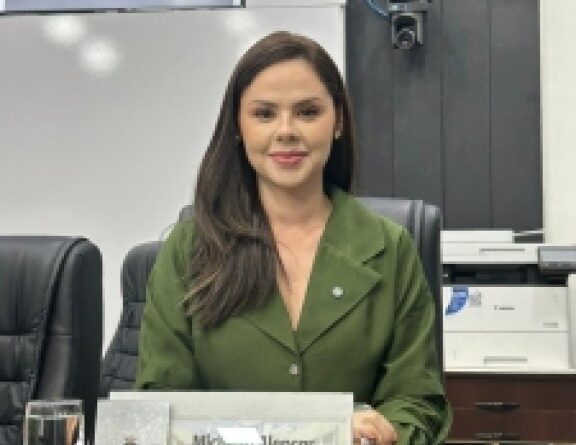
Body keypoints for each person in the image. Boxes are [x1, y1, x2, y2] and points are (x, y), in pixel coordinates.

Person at [135, 31, 451, 444]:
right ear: (238, 127)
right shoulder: (188, 249)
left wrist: (389, 431)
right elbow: (159, 404)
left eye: (307, 112)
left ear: (338, 121)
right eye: (264, 114)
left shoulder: (390, 248)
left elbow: (418, 400)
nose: (286, 131)